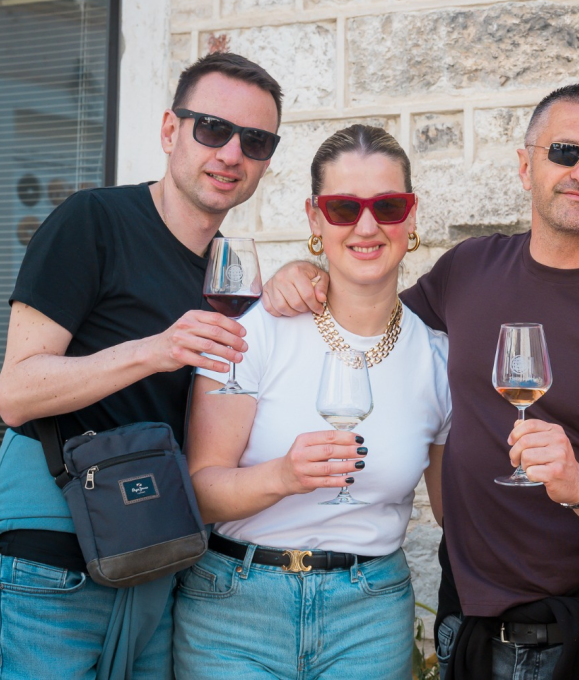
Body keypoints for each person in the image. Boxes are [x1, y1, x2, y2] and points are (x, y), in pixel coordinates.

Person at [263, 83, 579, 679]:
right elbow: (369, 316)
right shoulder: (468, 269)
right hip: (466, 628)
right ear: (525, 165)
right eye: (565, 151)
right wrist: (305, 270)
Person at [0, 52, 282, 678]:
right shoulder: (94, 222)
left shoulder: (230, 271)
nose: (231, 153)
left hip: (153, 565)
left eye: (256, 140)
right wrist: (157, 349)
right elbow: (16, 391)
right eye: (212, 129)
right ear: (170, 131)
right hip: (50, 563)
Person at [173, 124, 450, 679]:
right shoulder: (253, 334)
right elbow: (198, 493)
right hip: (235, 610)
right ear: (315, 219)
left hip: (369, 616)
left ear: (412, 217)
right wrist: (283, 476)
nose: (367, 226)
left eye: (388, 206)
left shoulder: (437, 357)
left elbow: (453, 513)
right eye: (344, 207)